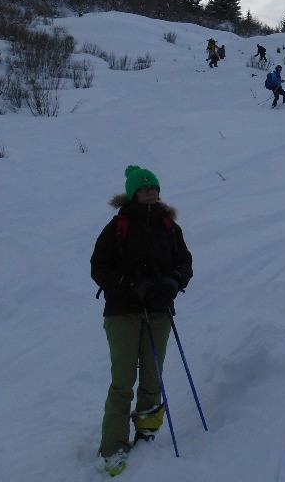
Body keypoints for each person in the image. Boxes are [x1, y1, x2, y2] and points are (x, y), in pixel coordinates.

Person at [91, 166, 194, 476]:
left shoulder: (169, 226)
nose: (151, 191)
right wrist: (131, 283)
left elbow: (185, 263)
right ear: (133, 192)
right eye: (144, 187)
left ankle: (147, 433)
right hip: (122, 313)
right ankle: (113, 448)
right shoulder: (117, 227)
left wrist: (173, 283)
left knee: (153, 377)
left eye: (154, 187)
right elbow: (99, 267)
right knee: (123, 381)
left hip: (160, 312)